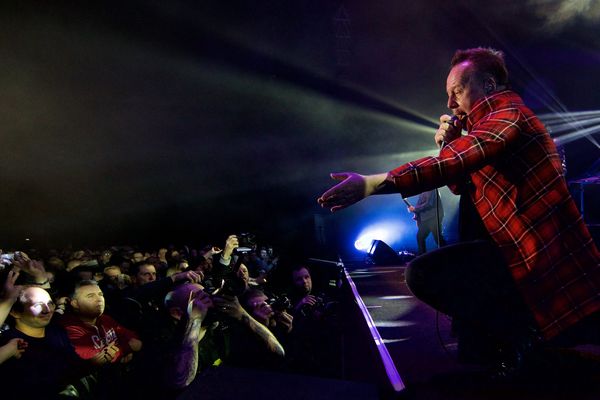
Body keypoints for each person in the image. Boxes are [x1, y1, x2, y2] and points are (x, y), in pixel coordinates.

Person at [318, 47, 600, 375]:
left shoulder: (508, 112)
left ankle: (526, 339)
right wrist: (452, 143)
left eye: (457, 92)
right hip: (517, 255)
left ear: (490, 86)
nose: (451, 104)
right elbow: (463, 184)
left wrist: (372, 184)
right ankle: (518, 340)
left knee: (425, 274)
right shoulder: (486, 126)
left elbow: (456, 163)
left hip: (537, 258)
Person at [406, 189, 446, 255]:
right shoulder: (423, 191)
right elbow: (421, 205)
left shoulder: (430, 188)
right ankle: (422, 258)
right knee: (420, 237)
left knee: (438, 238)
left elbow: (428, 204)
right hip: (427, 218)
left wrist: (415, 209)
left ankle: (448, 256)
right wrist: (416, 214)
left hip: (433, 217)